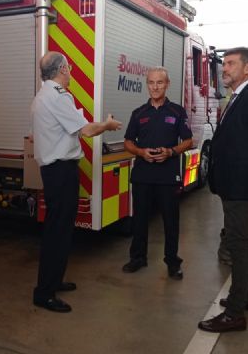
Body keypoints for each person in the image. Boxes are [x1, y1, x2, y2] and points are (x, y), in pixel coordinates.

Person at [31, 51, 121, 313]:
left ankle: (54, 280)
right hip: (60, 172)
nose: (70, 72)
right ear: (63, 69)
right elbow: (87, 130)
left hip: (56, 171)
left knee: (60, 229)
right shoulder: (57, 97)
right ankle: (44, 293)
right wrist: (107, 125)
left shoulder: (42, 96)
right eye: (68, 68)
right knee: (57, 232)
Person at [198, 47, 248, 333]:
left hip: (243, 185)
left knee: (238, 244)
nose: (225, 68)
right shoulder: (239, 97)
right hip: (235, 183)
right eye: (225, 64)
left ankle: (235, 313)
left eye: (231, 64)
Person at [122, 67, 193, 279]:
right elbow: (128, 141)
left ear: (167, 84)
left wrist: (171, 152)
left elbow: (188, 140)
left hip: (168, 176)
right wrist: (140, 152)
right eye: (151, 82)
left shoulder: (177, 112)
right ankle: (137, 258)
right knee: (140, 220)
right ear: (147, 84)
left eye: (159, 82)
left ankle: (172, 262)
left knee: (170, 221)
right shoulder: (138, 113)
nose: (155, 87)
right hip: (142, 175)